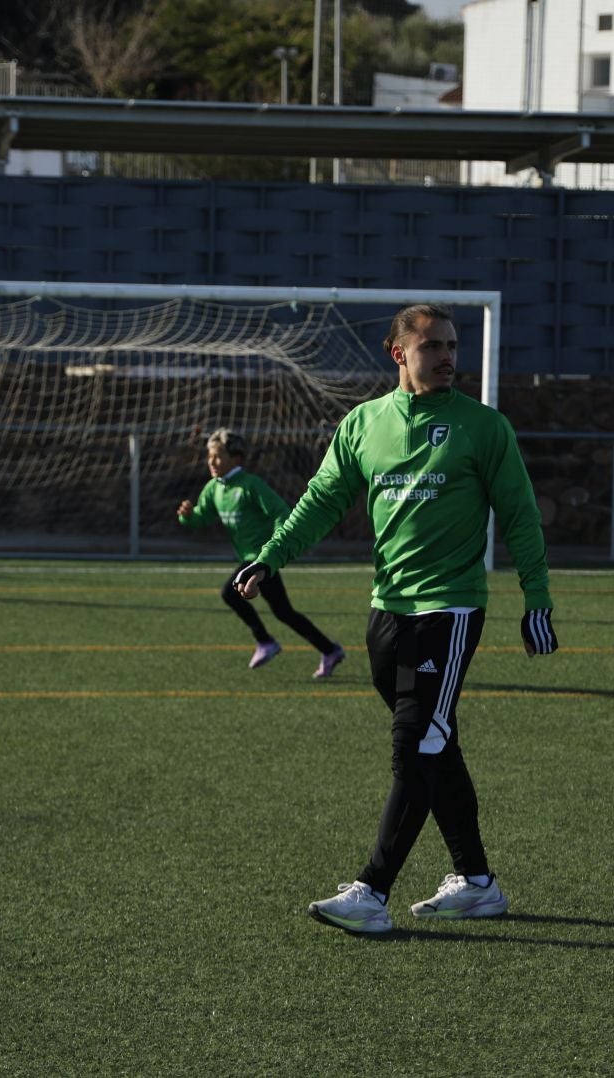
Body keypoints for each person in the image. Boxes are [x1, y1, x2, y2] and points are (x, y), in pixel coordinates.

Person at [232, 303, 558, 935]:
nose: (447, 357)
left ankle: (371, 892)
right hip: (387, 613)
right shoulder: (364, 424)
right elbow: (321, 501)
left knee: (414, 746)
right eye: (433, 345)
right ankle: (477, 882)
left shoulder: (484, 428)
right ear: (398, 352)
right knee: (438, 749)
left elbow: (520, 514)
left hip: (450, 608)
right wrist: (271, 557)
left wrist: (535, 597)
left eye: (453, 345)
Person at [178, 429, 348, 677]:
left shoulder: (251, 485)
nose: (212, 462)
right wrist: (187, 516)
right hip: (252, 561)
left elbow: (281, 512)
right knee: (284, 613)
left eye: (218, 456)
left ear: (237, 458)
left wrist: (277, 548)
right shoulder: (214, 489)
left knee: (230, 593)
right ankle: (330, 649)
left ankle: (266, 641)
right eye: (209, 457)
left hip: (261, 560)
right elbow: (200, 518)